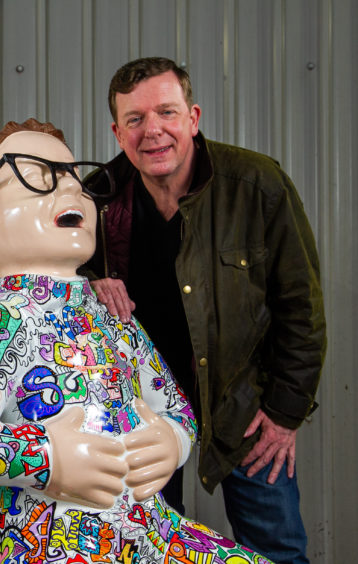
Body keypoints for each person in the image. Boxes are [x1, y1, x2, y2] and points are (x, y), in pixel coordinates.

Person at [0, 118, 271, 563]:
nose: (70, 190)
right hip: (54, 540)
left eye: (72, 176)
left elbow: (177, 407)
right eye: (38, 179)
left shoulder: (112, 313)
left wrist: (172, 440)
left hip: (152, 529)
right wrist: (49, 458)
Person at [81, 57, 326, 563]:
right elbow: (52, 281)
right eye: (135, 119)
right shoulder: (96, 198)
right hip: (139, 413)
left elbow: (301, 308)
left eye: (166, 113)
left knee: (277, 549)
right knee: (143, 549)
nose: (153, 131)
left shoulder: (258, 186)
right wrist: (89, 284)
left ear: (193, 118)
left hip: (242, 408)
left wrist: (284, 414)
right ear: (117, 130)